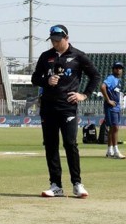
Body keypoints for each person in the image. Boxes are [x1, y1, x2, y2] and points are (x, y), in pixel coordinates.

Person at [31, 24, 100, 198]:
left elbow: (95, 76)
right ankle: (56, 185)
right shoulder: (45, 57)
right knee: (51, 145)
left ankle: (77, 183)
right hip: (48, 107)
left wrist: (84, 95)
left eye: (57, 40)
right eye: (52, 40)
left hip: (68, 107)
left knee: (70, 144)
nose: (54, 43)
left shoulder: (78, 56)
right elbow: (34, 78)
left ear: (66, 38)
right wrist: (47, 81)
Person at [100, 62, 125, 159]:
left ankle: (109, 151)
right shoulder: (111, 78)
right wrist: (108, 100)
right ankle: (116, 151)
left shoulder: (118, 80)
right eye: (117, 68)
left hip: (116, 106)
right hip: (111, 107)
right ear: (113, 69)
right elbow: (102, 87)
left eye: (120, 68)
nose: (118, 70)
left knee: (112, 128)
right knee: (115, 128)